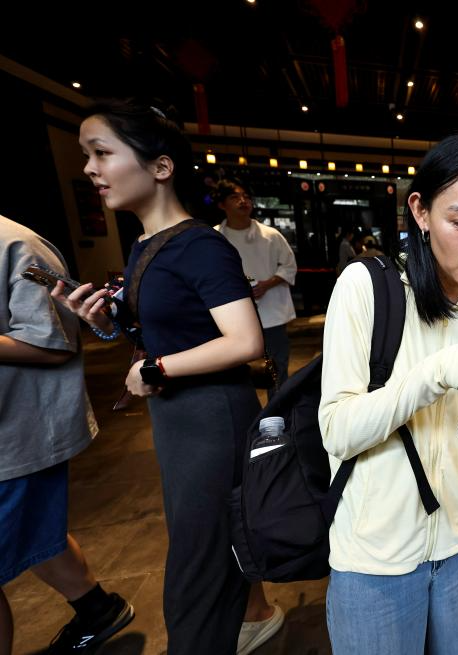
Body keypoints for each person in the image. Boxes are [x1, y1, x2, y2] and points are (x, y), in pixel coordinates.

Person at [52, 99, 280, 655]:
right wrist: (103, 320)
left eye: (101, 153)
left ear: (160, 167)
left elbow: (244, 340)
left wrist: (155, 368)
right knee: (206, 551)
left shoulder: (198, 245)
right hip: (180, 420)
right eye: (86, 155)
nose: (89, 169)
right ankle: (250, 618)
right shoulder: (146, 244)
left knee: (195, 575)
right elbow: (166, 330)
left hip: (211, 420)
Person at [318, 133, 458, 654]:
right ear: (420, 211)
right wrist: (440, 370)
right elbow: (339, 430)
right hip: (374, 556)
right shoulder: (368, 288)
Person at [0, 215, 133, 654]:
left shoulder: (16, 244)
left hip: (17, 431)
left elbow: (53, 344)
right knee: (37, 532)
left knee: (31, 527)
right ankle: (98, 609)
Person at [214, 179, 298, 388]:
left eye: (246, 197)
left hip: (271, 313)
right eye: (234, 197)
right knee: (236, 370)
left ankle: (278, 405)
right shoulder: (214, 237)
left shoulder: (270, 235)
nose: (243, 201)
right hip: (229, 316)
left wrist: (268, 283)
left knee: (277, 368)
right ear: (222, 204)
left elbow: (289, 266)